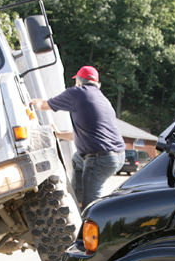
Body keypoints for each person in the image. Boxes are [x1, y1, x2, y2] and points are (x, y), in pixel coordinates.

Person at [31, 65, 125, 209]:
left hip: (100, 159)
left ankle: (89, 218)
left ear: (79, 81)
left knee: (91, 207)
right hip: (117, 156)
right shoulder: (103, 99)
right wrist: (59, 135)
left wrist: (33, 102)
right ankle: (79, 200)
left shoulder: (77, 93)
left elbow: (44, 105)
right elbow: (87, 136)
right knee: (77, 159)